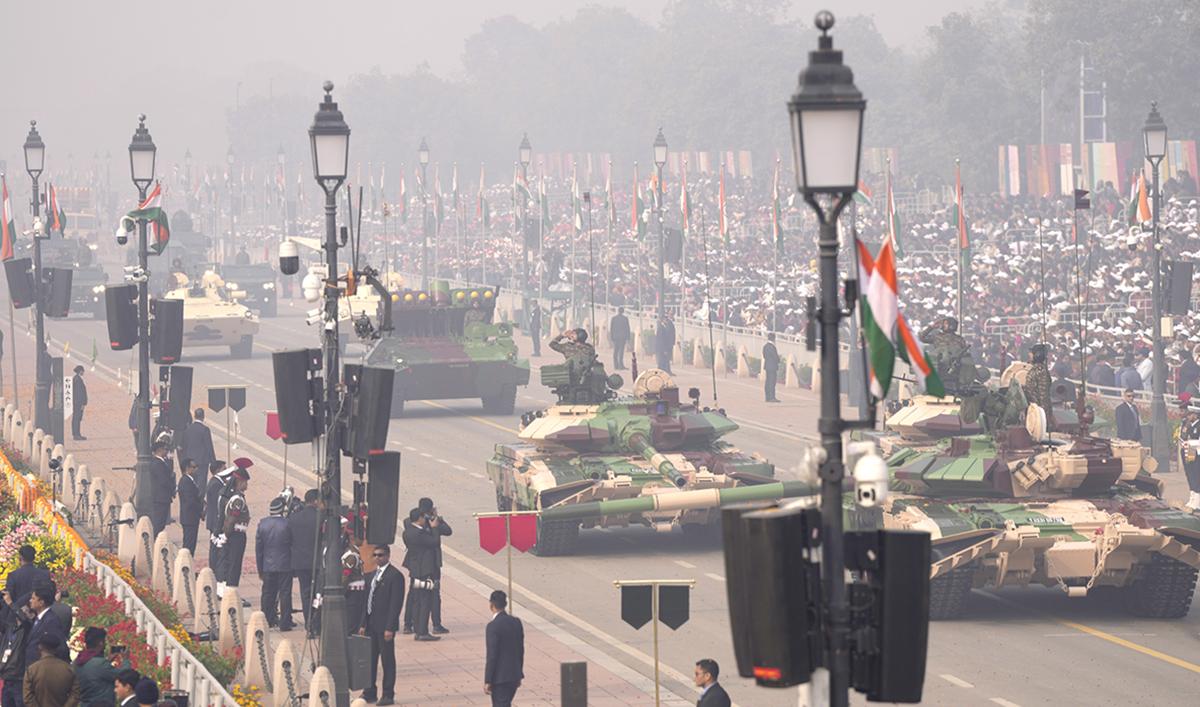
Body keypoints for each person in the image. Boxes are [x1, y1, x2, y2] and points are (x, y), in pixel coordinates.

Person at [359, 544, 405, 706]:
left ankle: (388, 694)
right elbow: (367, 600)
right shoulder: (372, 575)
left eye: (381, 555)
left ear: (388, 556)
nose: (377, 558)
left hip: (384, 626)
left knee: (387, 661)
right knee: (370, 660)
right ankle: (369, 690)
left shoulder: (395, 576)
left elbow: (396, 604)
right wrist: (364, 624)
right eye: (375, 555)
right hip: (371, 625)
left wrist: (390, 627)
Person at [401, 509, 441, 642]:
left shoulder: (407, 532)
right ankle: (422, 631)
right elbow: (435, 543)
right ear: (419, 518)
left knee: (416, 600)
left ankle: (417, 630)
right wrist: (434, 528)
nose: (425, 520)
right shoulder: (420, 534)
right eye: (424, 518)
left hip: (414, 569)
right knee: (426, 600)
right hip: (425, 570)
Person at [255, 496, 294, 631]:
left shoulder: (262, 524)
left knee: (268, 593)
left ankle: (267, 620)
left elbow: (259, 549)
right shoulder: (287, 523)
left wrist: (260, 569)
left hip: (268, 564)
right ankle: (285, 622)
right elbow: (291, 546)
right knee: (285, 593)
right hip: (285, 564)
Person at [288, 489, 321, 637]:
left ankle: (309, 625)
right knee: (318, 593)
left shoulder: (294, 518)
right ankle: (317, 623)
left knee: (306, 593)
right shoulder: (322, 517)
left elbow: (286, 540)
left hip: (300, 562)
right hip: (318, 562)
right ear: (316, 501)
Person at [483, 590, 524, 707]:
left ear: (491, 605)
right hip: (514, 674)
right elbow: (520, 650)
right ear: (506, 604)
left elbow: (492, 655)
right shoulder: (516, 622)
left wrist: (488, 680)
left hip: (499, 677)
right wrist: (519, 672)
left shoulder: (493, 626)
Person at [75, 628, 131, 707]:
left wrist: (108, 661)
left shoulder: (76, 662)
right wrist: (125, 659)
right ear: (100, 644)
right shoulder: (101, 665)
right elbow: (125, 675)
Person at [219, 461, 252, 592]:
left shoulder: (234, 497)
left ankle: (227, 588)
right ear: (240, 484)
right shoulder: (238, 500)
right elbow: (232, 519)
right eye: (246, 482)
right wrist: (226, 535)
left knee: (231, 561)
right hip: (237, 535)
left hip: (234, 534)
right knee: (235, 563)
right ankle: (232, 590)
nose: (247, 485)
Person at [22, 634, 78, 707]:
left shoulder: (31, 670)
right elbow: (75, 694)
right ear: (57, 649)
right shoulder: (69, 669)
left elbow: (27, 698)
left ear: (40, 648)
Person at [2, 546, 49, 624]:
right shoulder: (45, 575)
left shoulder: (13, 576)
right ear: (34, 558)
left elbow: (9, 598)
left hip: (17, 619)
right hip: (39, 619)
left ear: (20, 558)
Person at [0, 594, 32, 707]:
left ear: (31, 615)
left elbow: (24, 619)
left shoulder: (28, 629)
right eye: (20, 609)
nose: (20, 612)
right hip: (6, 680)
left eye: (24, 610)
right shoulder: (10, 628)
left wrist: (10, 602)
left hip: (19, 681)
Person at [205, 461, 230, 588]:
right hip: (216, 520)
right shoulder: (216, 485)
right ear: (218, 471)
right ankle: (214, 571)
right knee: (215, 548)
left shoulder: (218, 483)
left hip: (216, 520)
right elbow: (218, 504)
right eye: (224, 469)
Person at [177, 409, 215, 490]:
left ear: (194, 416)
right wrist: (213, 461)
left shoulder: (188, 429)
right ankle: (200, 498)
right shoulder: (205, 429)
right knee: (202, 480)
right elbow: (209, 446)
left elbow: (185, 444)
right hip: (202, 459)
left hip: (191, 458)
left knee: (193, 479)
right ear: (203, 417)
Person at [341, 524, 366, 635]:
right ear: (354, 538)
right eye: (362, 537)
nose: (364, 539)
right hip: (354, 594)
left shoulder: (354, 553)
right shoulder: (352, 556)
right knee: (352, 624)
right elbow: (346, 577)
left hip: (357, 593)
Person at [1177, 395, 1200, 510]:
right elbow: (1184, 436)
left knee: (1196, 476)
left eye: (1190, 414)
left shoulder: (1198, 426)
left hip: (1197, 453)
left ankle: (1197, 501)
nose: (1188, 416)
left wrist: (1191, 443)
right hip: (1189, 452)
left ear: (1195, 415)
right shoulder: (1189, 425)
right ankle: (1192, 498)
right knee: (1190, 475)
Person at [176, 459, 203, 555]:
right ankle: (185, 564)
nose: (196, 469)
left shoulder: (190, 480)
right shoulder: (186, 482)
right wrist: (201, 509)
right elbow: (190, 501)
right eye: (194, 467)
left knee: (191, 543)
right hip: (189, 518)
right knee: (189, 544)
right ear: (187, 469)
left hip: (191, 518)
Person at [149, 441, 175, 537]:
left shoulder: (160, 462)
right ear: (160, 450)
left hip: (161, 497)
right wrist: (173, 488)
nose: (167, 452)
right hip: (161, 498)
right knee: (159, 522)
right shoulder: (158, 464)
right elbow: (163, 480)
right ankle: (155, 540)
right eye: (166, 449)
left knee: (161, 521)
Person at [1023, 344, 1052, 424]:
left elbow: (1043, 395)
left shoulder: (1041, 372)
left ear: (1037, 355)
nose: (1029, 354)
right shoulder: (1035, 369)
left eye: (1031, 353)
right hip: (1032, 407)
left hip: (1039, 410)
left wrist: (1043, 414)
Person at [762, 333, 781, 403]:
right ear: (773, 339)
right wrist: (778, 360)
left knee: (767, 382)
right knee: (772, 383)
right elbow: (775, 356)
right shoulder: (772, 347)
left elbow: (764, 356)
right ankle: (772, 397)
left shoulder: (765, 346)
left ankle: (767, 397)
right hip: (772, 366)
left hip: (767, 365)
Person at [71, 366, 87, 441]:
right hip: (78, 402)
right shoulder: (78, 380)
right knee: (77, 418)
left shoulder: (76, 379)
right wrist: (82, 403)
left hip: (76, 402)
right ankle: (76, 434)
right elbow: (79, 393)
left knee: (76, 418)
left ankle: (76, 433)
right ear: (80, 371)